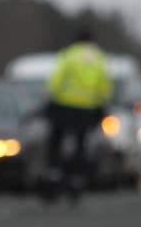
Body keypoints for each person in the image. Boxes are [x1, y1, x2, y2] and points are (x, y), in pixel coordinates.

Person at [42, 28, 113, 203]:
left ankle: (54, 174)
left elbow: (56, 80)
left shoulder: (69, 55)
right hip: (87, 108)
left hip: (64, 106)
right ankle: (76, 178)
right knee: (81, 143)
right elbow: (105, 85)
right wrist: (100, 104)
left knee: (56, 141)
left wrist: (49, 98)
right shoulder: (99, 58)